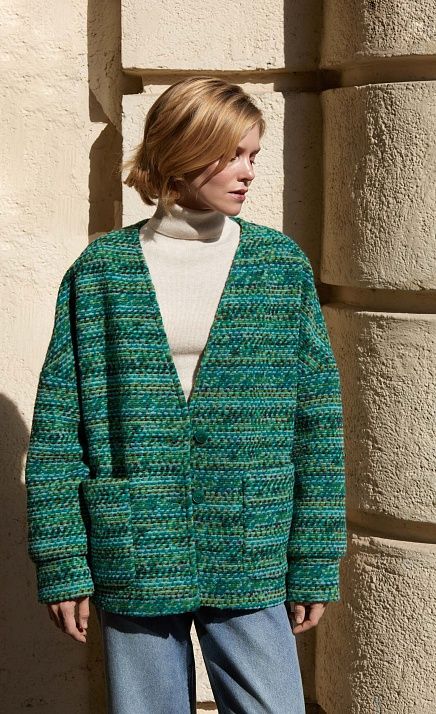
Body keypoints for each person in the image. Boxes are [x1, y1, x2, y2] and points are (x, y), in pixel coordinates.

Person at [25, 76, 347, 713]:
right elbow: (60, 428)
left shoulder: (278, 266)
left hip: (252, 539)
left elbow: (317, 422)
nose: (248, 172)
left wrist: (314, 557)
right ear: (181, 152)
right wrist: (62, 560)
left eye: (253, 155)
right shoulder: (102, 272)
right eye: (232, 155)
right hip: (136, 540)